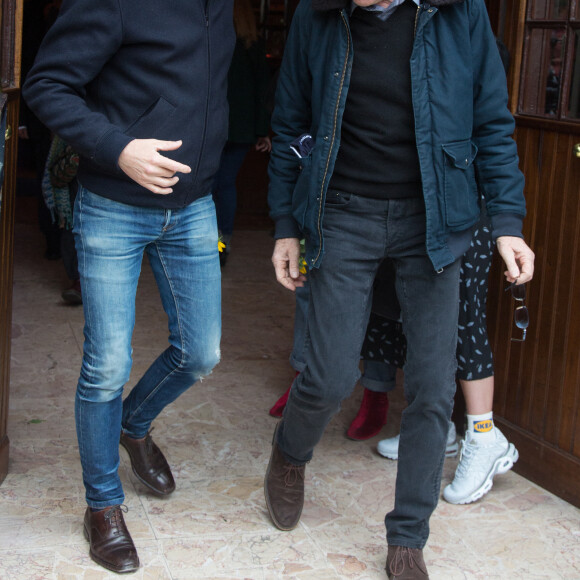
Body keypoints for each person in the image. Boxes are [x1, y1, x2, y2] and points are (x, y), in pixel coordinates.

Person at [264, 2, 535, 579]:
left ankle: (408, 535)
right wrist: (287, 228)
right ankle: (289, 455)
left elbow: (491, 120)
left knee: (434, 389)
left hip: (435, 220)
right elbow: (290, 128)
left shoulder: (460, 12)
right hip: (342, 214)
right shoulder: (317, 16)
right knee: (331, 372)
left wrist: (508, 222)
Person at [23, 0, 234, 573]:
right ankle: (103, 507)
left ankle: (132, 425)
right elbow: (45, 85)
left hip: (193, 206)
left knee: (201, 352)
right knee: (107, 364)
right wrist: (118, 148)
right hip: (114, 206)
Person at [213, 0, 272, 266]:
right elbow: (263, 88)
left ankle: (205, 244)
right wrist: (262, 130)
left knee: (206, 186)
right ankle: (221, 245)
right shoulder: (252, 42)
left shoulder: (213, 36)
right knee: (226, 185)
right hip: (242, 127)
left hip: (211, 123)